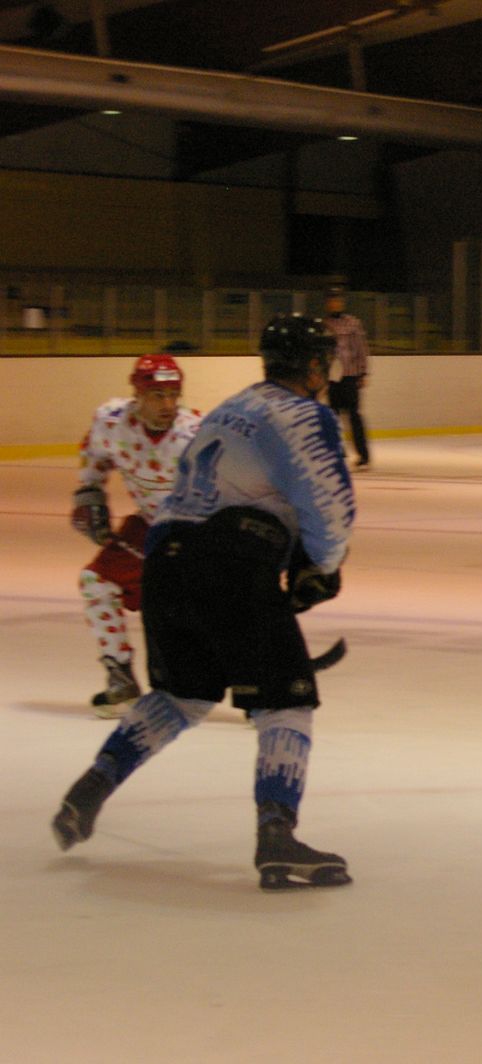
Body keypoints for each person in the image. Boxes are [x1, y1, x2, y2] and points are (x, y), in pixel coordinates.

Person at [51, 313, 357, 891]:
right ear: (315, 367)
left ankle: (92, 786)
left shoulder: (231, 406)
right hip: (232, 559)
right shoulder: (304, 415)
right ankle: (276, 834)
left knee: (181, 696)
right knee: (286, 704)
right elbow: (330, 506)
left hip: (165, 559)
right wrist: (322, 567)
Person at [71, 353, 203, 717]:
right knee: (96, 582)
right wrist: (89, 493)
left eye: (173, 395)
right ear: (138, 395)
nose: (168, 405)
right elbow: (94, 457)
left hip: (197, 532)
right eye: (158, 396)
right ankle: (120, 678)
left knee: (216, 607)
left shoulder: (195, 433)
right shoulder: (111, 421)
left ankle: (261, 686)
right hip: (148, 527)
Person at [323, 284, 373, 469]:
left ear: (342, 302)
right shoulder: (324, 325)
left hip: (350, 376)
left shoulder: (353, 323)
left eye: (337, 300)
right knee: (333, 417)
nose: (335, 303)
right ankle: (337, 453)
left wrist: (363, 372)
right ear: (327, 303)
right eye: (331, 300)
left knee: (354, 416)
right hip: (332, 378)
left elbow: (361, 348)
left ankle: (363, 456)